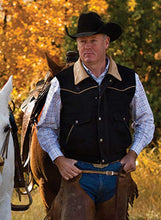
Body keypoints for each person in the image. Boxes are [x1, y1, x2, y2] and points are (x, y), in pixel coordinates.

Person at [37, 12, 155, 218]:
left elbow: (145, 121)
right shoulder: (61, 82)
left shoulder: (129, 79)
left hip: (116, 175)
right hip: (77, 177)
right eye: (82, 42)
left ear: (106, 42)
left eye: (93, 40)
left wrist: (133, 153)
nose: (87, 46)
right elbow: (46, 127)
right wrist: (59, 160)